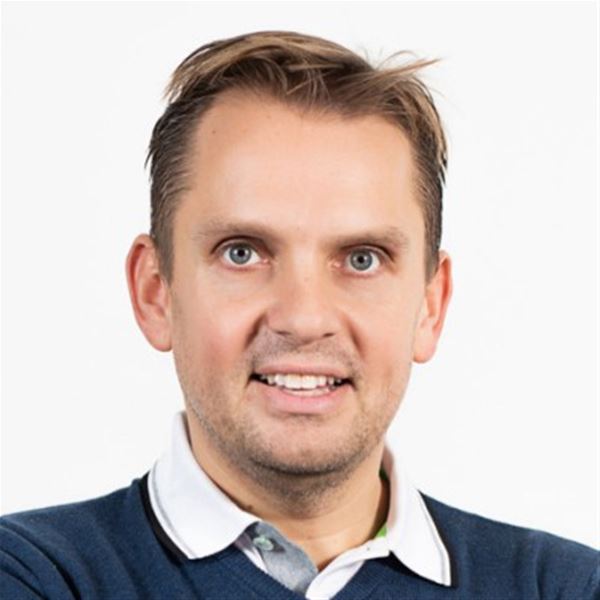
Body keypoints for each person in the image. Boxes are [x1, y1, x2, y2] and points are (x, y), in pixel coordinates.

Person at [1, 30, 597, 600]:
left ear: (430, 306)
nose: (305, 318)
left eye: (362, 259)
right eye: (242, 253)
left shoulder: (566, 588)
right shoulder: (33, 576)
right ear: (155, 292)